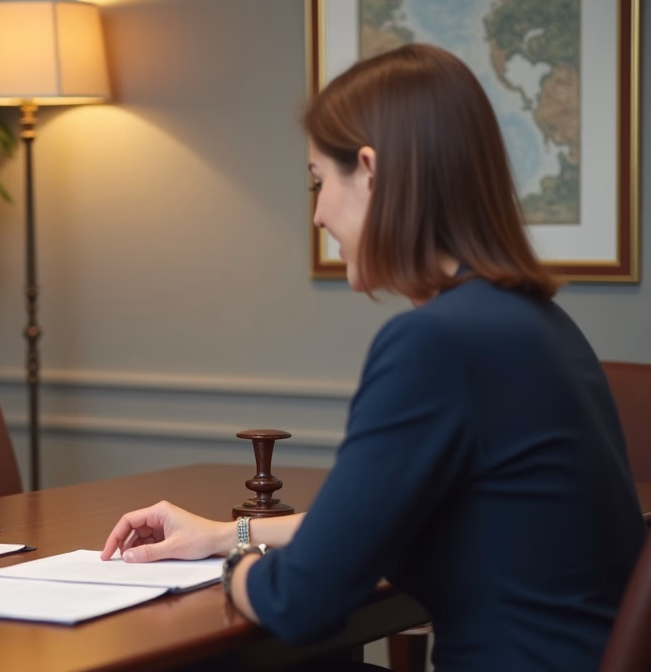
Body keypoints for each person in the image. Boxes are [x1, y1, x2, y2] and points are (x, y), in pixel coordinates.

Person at [101, 44, 645, 672]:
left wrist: (233, 567)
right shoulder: (536, 323)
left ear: (370, 172)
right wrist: (227, 533)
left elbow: (300, 601)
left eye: (318, 181)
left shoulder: (436, 344)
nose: (317, 215)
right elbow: (363, 525)